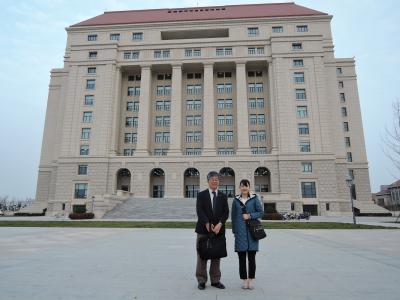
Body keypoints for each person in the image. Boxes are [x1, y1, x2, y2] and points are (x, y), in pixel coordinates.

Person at [195, 171, 229, 290]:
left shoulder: (223, 196)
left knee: (216, 255)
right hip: (203, 229)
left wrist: (220, 223)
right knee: (202, 255)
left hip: (218, 230)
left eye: (217, 179)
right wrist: (207, 223)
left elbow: (226, 212)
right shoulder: (201, 195)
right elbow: (200, 210)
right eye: (213, 179)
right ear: (208, 180)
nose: (215, 181)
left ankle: (215, 280)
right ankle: (201, 280)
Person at [231, 179, 264, 289]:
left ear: (249, 187)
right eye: (242, 186)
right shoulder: (236, 200)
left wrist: (249, 216)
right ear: (239, 188)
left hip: (252, 232)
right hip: (240, 232)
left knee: (251, 257)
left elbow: (260, 212)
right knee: (241, 257)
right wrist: (235, 231)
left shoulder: (254, 199)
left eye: (246, 186)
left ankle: (251, 279)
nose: (244, 188)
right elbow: (233, 217)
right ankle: (244, 280)